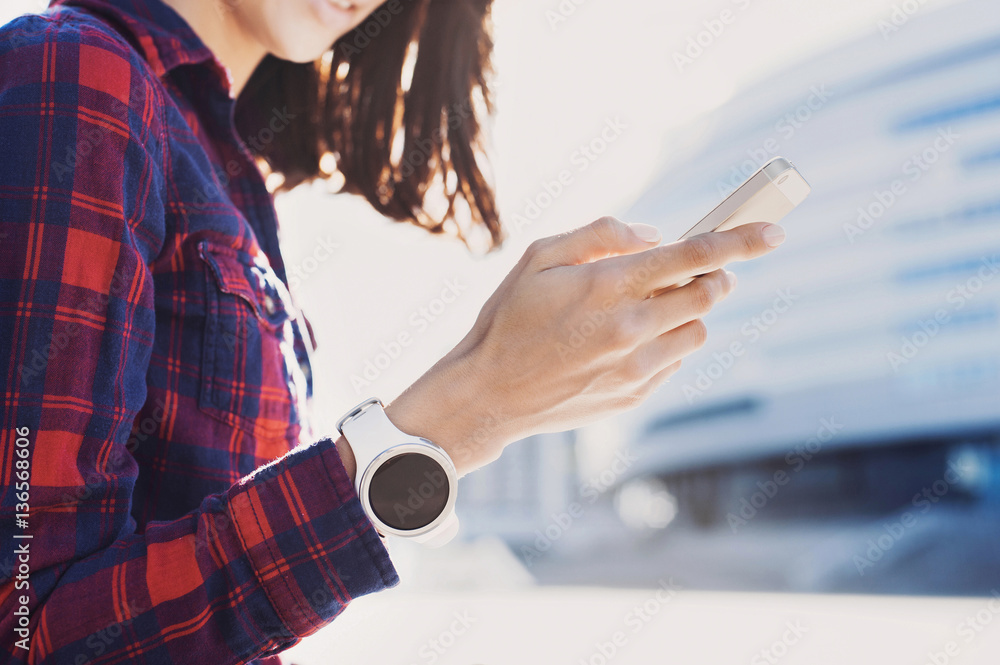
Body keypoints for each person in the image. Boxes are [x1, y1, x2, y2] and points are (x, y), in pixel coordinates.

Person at [0, 0, 786, 662]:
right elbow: (30, 625)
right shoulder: (75, 76)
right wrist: (465, 412)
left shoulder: (223, 172)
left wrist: (494, 406)